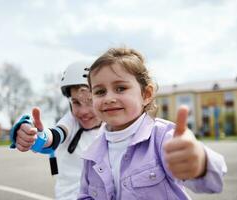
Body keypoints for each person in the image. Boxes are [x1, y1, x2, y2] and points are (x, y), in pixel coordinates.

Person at [78, 47, 227, 200]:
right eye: (100, 92)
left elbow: (213, 183)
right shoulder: (92, 153)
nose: (109, 98)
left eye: (120, 88)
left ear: (146, 94)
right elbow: (85, 196)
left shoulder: (163, 138)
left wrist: (201, 164)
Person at [10, 61, 102, 200]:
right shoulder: (71, 122)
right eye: (76, 102)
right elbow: (55, 135)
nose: (83, 111)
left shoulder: (111, 125)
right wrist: (36, 135)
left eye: (90, 102)